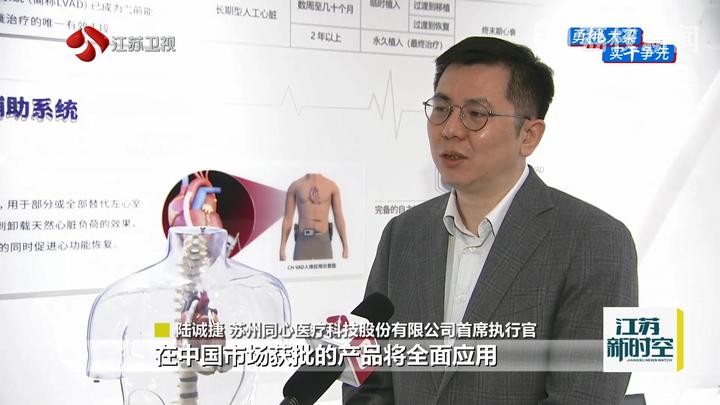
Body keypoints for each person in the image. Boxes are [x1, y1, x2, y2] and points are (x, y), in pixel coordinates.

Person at [343, 37, 638, 404]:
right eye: (441, 109)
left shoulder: (597, 241)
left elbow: (585, 396)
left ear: (529, 135)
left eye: (475, 114)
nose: (450, 129)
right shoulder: (403, 234)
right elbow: (367, 380)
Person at [279, 173, 349, 261]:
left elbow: (338, 216)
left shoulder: (332, 186)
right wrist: (282, 247)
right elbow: (288, 217)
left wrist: (345, 246)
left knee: (326, 270)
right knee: (301, 270)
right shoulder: (295, 186)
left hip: (323, 241)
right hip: (302, 241)